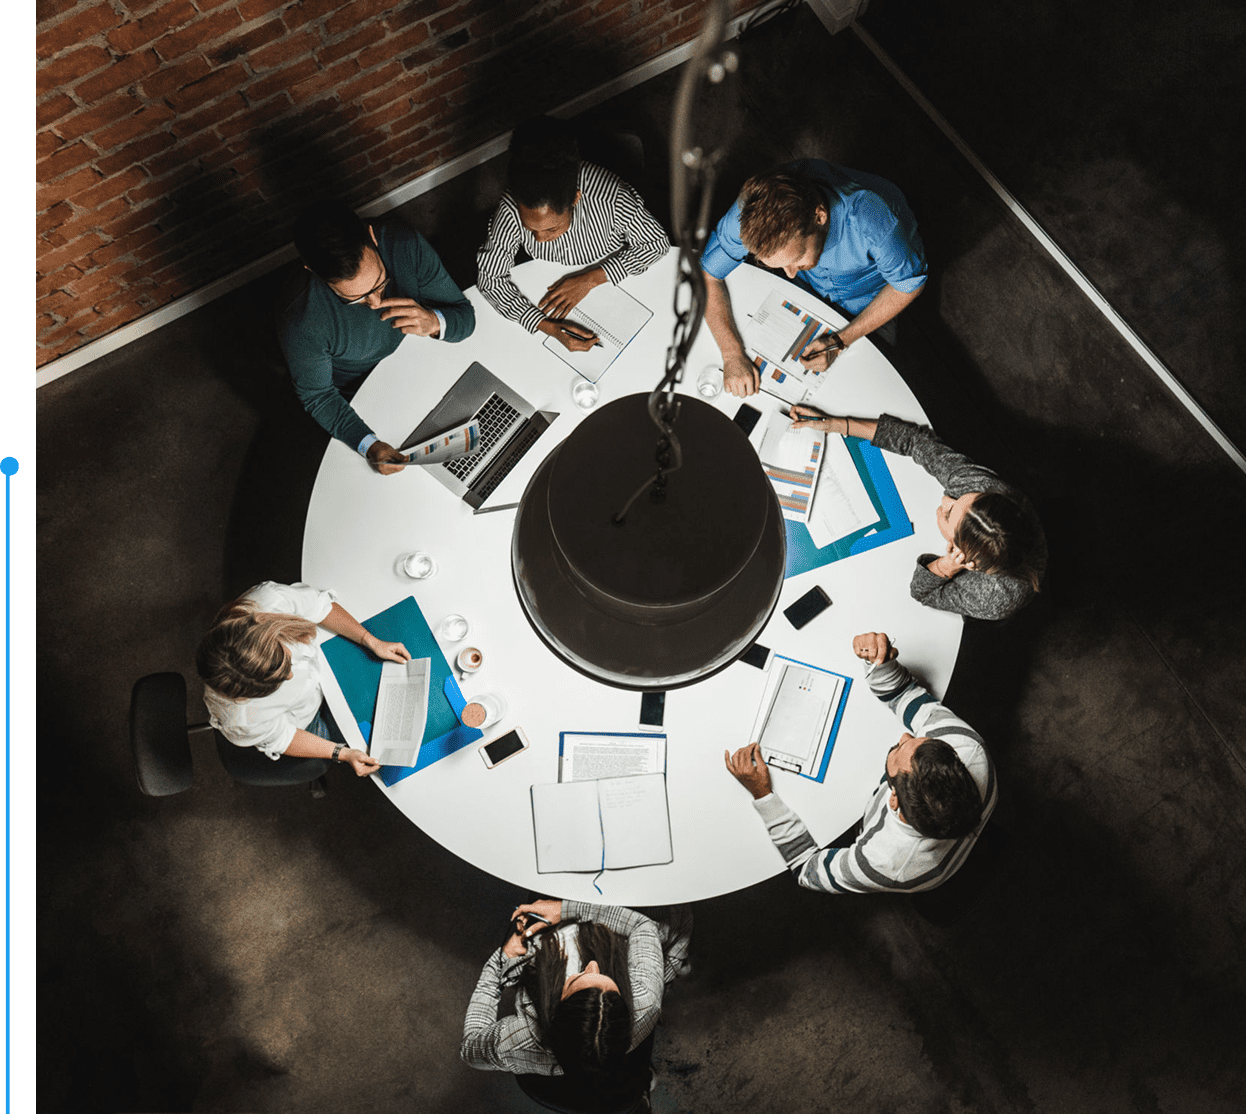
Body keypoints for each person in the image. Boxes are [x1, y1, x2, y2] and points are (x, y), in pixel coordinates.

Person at [726, 631, 995, 895]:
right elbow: (903, 692)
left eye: (900, 749)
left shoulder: (884, 863)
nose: (905, 735)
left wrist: (763, 795)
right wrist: (881, 663)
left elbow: (806, 868)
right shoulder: (965, 746)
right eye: (920, 740)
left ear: (893, 800)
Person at [789, 409, 1046, 621]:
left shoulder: (994, 600)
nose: (946, 500)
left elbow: (923, 593)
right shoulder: (982, 488)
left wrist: (948, 565)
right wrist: (836, 424)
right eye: (964, 498)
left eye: (950, 512)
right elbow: (916, 441)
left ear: (965, 558)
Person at [278, 200, 476, 475]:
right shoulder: (300, 320)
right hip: (362, 389)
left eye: (380, 281)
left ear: (371, 236)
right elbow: (319, 396)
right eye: (355, 298)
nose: (375, 303)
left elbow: (465, 318)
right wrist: (369, 445)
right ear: (313, 271)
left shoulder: (403, 243)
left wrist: (433, 321)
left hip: (420, 356)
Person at [701, 159, 927, 397]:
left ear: (819, 216)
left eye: (797, 258)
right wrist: (731, 354)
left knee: (868, 388)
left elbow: (908, 286)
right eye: (778, 265)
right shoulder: (751, 211)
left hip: (870, 301)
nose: (790, 274)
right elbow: (707, 275)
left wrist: (840, 341)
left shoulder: (874, 220)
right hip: (809, 287)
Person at [461, 897, 691, 1102]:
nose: (593, 965)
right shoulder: (646, 1003)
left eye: (578, 979)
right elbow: (643, 925)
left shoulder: (516, 1041)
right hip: (622, 1059)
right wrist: (567, 909)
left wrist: (502, 960)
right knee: (676, 918)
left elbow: (471, 1048)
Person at [476, 115, 670, 354]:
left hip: (615, 265)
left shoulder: (612, 198)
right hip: (544, 274)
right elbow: (490, 279)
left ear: (575, 199)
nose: (539, 240)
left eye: (551, 229)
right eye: (530, 229)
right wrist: (547, 327)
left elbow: (655, 244)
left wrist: (590, 280)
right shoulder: (510, 207)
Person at [197, 580, 409, 774]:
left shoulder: (270, 602)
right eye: (275, 684)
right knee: (375, 741)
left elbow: (321, 608)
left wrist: (371, 641)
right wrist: (342, 753)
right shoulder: (242, 717)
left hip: (327, 660)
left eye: (286, 662)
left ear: (272, 630)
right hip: (307, 718)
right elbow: (284, 737)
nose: (290, 676)